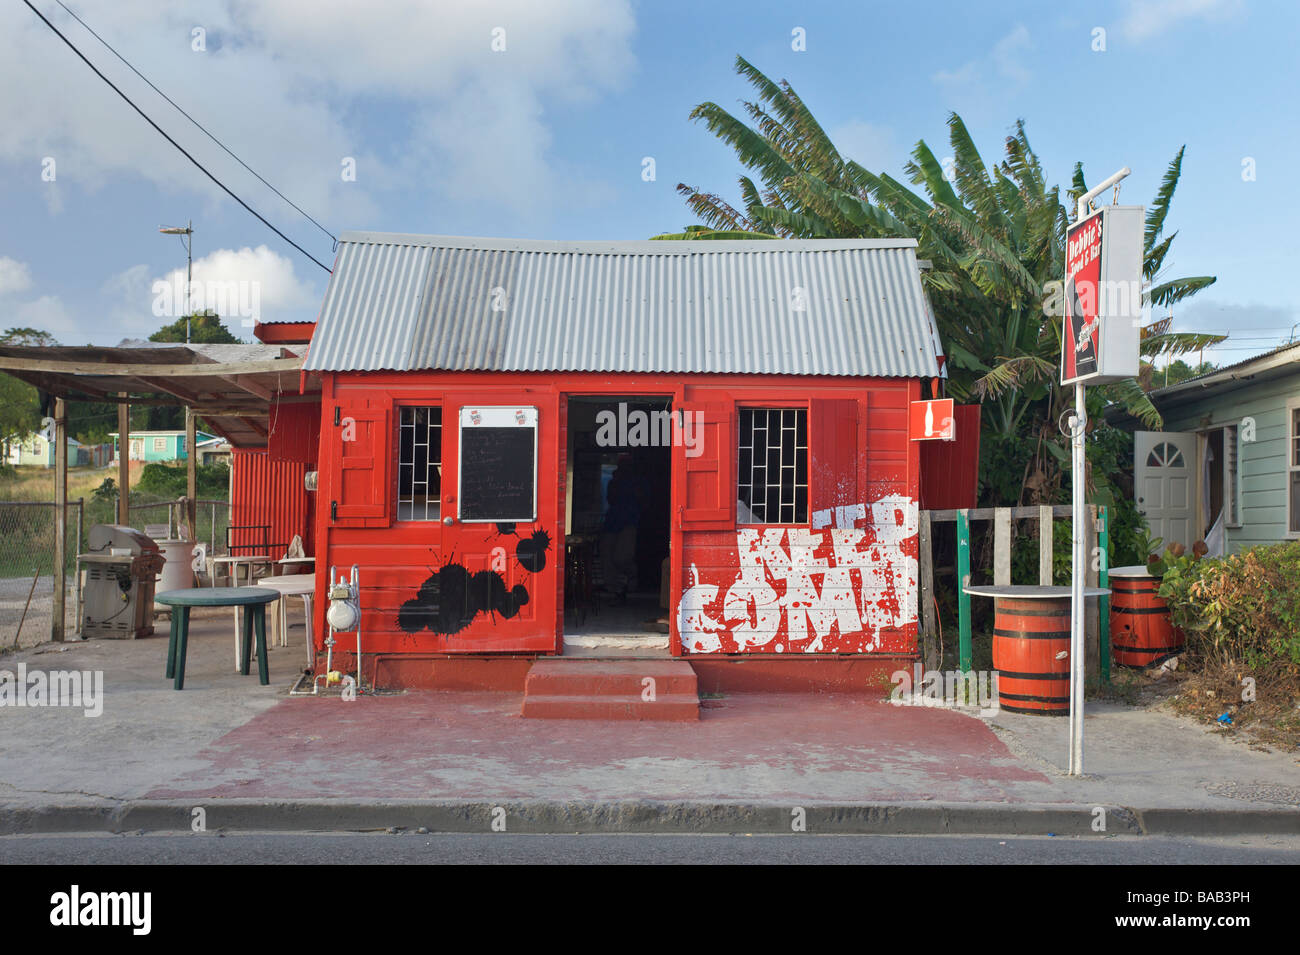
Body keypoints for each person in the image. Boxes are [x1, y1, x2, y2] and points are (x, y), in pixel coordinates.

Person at [600, 457, 640, 601]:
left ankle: (630, 579)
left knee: (622, 557)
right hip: (612, 521)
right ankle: (614, 588)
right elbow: (611, 499)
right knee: (607, 557)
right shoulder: (613, 481)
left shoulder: (637, 482)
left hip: (629, 522)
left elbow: (643, 501)